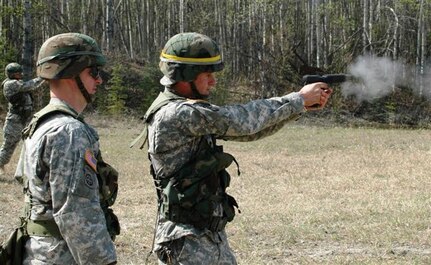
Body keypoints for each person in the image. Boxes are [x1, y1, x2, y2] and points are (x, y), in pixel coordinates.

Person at [135, 32, 332, 264]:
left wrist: (299, 107)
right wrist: (298, 99)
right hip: (187, 241)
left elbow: (250, 132)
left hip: (202, 234)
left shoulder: (186, 110)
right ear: (185, 76)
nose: (213, 81)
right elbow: (240, 121)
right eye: (207, 74)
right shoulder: (178, 113)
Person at [14, 33, 119, 265]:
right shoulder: (69, 131)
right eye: (93, 72)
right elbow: (78, 214)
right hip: (62, 255)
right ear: (72, 73)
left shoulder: (40, 123)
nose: (99, 80)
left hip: (41, 253)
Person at [0, 62, 44, 175]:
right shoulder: (11, 84)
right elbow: (30, 85)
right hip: (14, 122)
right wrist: (43, 77)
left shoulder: (16, 83)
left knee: (32, 145)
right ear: (12, 74)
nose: (21, 74)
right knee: (7, 152)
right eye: (18, 72)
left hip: (23, 119)